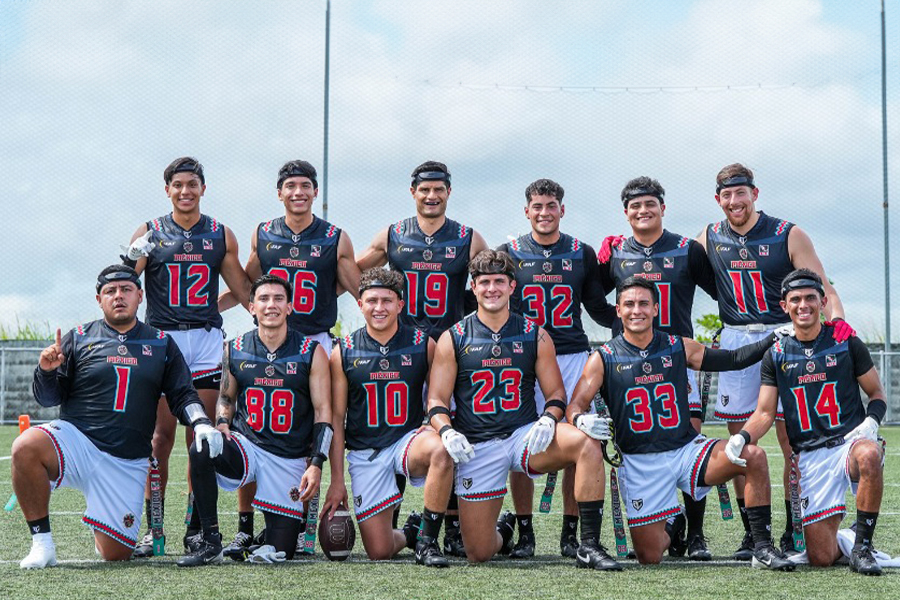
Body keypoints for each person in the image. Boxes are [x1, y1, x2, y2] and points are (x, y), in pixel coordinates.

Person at [567, 276, 794, 570]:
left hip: (687, 450)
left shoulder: (677, 346)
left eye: (644, 304)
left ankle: (762, 547)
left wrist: (771, 339)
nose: (637, 310)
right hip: (640, 462)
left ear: (656, 309)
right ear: (619, 311)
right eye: (630, 304)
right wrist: (579, 418)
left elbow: (733, 359)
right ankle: (673, 526)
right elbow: (575, 404)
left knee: (753, 456)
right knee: (650, 556)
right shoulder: (604, 357)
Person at [12, 265, 223, 569]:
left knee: (116, 555)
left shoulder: (161, 342)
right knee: (25, 445)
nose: (118, 296)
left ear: (140, 296)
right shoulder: (79, 337)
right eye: (110, 291)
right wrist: (46, 371)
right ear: (99, 299)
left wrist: (201, 420)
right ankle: (42, 543)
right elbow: (48, 398)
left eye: (126, 289)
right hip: (78, 442)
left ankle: (103, 519)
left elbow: (182, 393)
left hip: (125, 459)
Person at [696, 163, 855, 558]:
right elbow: (664, 258)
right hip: (735, 341)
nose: (735, 202)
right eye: (727, 196)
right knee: (740, 441)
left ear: (755, 193)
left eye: (741, 193)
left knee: (789, 440)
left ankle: (793, 525)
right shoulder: (709, 236)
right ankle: (755, 532)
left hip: (784, 337)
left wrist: (837, 327)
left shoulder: (788, 233)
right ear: (719, 200)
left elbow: (823, 286)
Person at [426, 250, 622, 570]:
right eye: (484, 282)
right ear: (473, 287)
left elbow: (556, 393)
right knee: (479, 552)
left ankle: (588, 544)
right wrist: (446, 431)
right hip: (477, 444)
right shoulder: (454, 337)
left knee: (587, 442)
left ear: (512, 286)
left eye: (499, 281)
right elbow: (435, 399)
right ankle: (504, 528)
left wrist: (549, 417)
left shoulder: (535, 333)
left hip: (522, 436)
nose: (492, 289)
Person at [217, 159, 360, 556]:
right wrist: (211, 309)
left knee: (323, 418)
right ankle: (246, 525)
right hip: (270, 339)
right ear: (279, 193)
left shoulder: (335, 236)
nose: (298, 192)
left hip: (315, 340)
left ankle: (307, 517)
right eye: (290, 186)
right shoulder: (264, 234)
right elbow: (247, 287)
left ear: (316, 192)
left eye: (305, 186)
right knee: (251, 421)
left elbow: (360, 291)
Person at [357, 161, 488, 556]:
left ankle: (450, 526)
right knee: (396, 427)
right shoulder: (393, 234)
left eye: (439, 190)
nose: (432, 196)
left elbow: (490, 280)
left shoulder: (468, 237)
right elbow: (350, 269)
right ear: (412, 192)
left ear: (449, 192)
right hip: (400, 346)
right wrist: (370, 309)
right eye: (425, 189)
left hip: (450, 348)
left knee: (452, 429)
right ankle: (392, 515)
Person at [122, 157, 251, 557]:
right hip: (162, 340)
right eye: (177, 184)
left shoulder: (219, 234)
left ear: (203, 188)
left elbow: (243, 290)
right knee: (160, 436)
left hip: (205, 341)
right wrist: (130, 256)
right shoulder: (150, 231)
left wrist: (211, 309)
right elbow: (125, 281)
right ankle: (154, 527)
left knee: (203, 433)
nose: (185, 191)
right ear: (167, 190)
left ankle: (197, 525)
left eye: (192, 184)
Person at [724, 269, 887, 576]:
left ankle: (863, 549)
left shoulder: (846, 343)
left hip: (849, 443)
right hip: (811, 456)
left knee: (868, 454)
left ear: (823, 301)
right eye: (795, 299)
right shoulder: (777, 353)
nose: (803, 305)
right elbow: (765, 413)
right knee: (821, 556)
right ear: (784, 305)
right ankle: (849, 537)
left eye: (810, 298)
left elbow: (876, 393)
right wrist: (743, 437)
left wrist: (871, 422)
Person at [596, 176, 718, 559]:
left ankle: (695, 534)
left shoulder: (687, 249)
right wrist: (617, 328)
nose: (643, 211)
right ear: (625, 212)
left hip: (677, 359)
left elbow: (722, 291)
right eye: (635, 206)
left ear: (663, 208)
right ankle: (665, 522)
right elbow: (593, 297)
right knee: (639, 442)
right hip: (630, 364)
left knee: (690, 441)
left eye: (650, 204)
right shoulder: (615, 252)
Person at [179, 274, 333, 566]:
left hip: (288, 456)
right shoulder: (234, 348)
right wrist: (222, 423)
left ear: (289, 307)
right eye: (263, 298)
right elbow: (226, 398)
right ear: (251, 307)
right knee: (202, 446)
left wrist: (315, 465)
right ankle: (210, 540)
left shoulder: (311, 352)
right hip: (247, 445)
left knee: (281, 550)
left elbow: (323, 412)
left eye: (278, 299)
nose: (270, 305)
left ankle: (266, 535)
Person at [498, 178, 616, 558]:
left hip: (571, 357)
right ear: (526, 210)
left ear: (562, 210)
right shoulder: (508, 253)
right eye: (538, 206)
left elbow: (598, 306)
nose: (544, 213)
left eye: (551, 206)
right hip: (524, 358)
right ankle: (526, 532)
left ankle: (570, 534)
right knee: (522, 441)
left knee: (577, 442)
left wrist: (638, 326)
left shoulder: (580, 253)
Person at [322, 268, 454, 567]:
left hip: (407, 440)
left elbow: (439, 399)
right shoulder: (344, 350)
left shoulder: (423, 343)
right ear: (360, 304)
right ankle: (411, 532)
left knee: (442, 450)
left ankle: (427, 542)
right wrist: (337, 481)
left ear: (400, 305)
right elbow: (337, 417)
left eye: (387, 301)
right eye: (372, 301)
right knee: (379, 551)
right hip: (366, 451)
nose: (379, 308)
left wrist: (437, 428)